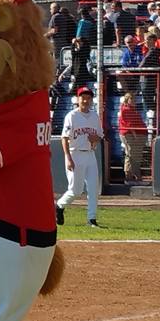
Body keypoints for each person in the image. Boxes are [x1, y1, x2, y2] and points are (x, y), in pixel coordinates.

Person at [55, 86, 104, 227]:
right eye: (83, 98)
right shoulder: (72, 116)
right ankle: (59, 205)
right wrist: (68, 158)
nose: (86, 100)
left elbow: (100, 135)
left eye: (88, 98)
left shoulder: (94, 116)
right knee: (76, 191)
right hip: (74, 153)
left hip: (90, 154)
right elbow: (64, 138)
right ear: (78, 99)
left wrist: (96, 138)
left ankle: (91, 219)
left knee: (94, 189)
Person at [119, 92, 147, 183]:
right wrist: (135, 135)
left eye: (134, 99)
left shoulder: (132, 109)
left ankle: (135, 175)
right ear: (127, 100)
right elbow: (129, 125)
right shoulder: (126, 109)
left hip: (136, 135)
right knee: (130, 154)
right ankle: (130, 176)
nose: (134, 101)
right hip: (130, 135)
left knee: (134, 155)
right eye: (132, 99)